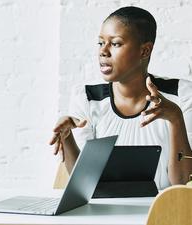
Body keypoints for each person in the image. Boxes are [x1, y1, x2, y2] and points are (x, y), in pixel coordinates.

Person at [50, 6, 192, 190]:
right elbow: (85, 186)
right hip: (104, 216)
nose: (103, 51)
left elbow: (181, 183)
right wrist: (67, 138)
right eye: (101, 43)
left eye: (115, 43)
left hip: (162, 213)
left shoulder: (182, 94)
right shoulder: (87, 98)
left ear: (145, 51)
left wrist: (175, 118)